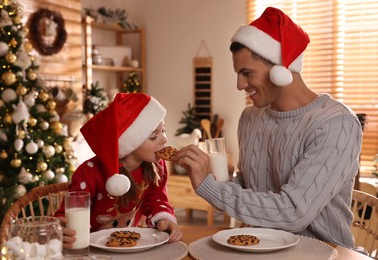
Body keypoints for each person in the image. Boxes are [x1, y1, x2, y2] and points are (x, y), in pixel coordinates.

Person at [174, 7, 362, 249]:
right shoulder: (250, 117)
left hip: (322, 252)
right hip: (257, 248)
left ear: (280, 69)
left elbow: (292, 213)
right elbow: (251, 188)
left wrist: (208, 187)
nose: (240, 85)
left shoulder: (335, 124)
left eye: (247, 73)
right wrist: (221, 182)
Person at [55, 93, 182, 249]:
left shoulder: (157, 166)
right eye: (153, 136)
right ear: (130, 144)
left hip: (132, 247)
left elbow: (157, 201)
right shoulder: (89, 172)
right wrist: (62, 229)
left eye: (164, 130)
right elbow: (69, 212)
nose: (164, 139)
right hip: (90, 248)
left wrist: (165, 220)